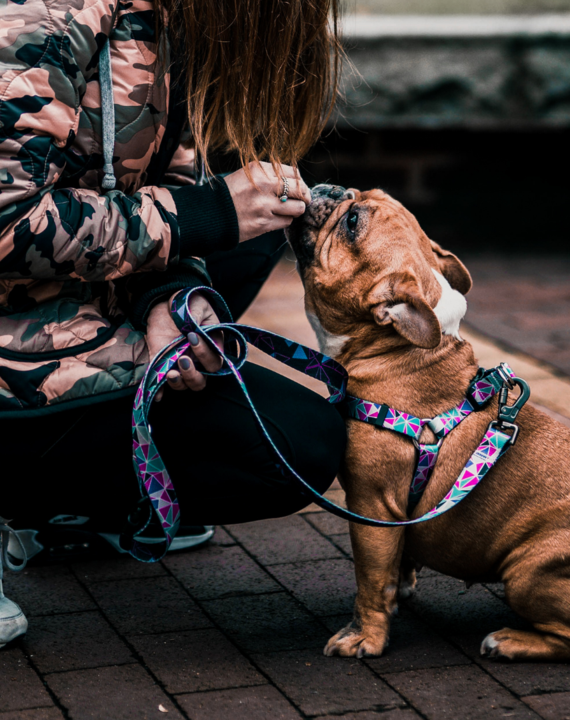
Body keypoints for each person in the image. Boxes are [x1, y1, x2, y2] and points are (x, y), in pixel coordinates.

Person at [0, 0, 345, 648]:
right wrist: (198, 216)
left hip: (53, 304)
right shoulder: (39, 14)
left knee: (257, 225)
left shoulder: (168, 21)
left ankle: (68, 509)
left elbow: (165, 181)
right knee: (289, 445)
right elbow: (4, 219)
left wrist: (174, 294)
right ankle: (26, 487)